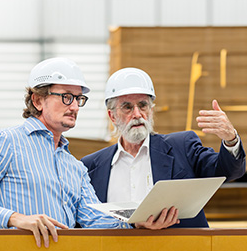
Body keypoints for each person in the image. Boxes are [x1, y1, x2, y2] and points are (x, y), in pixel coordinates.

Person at [0, 58, 179, 247]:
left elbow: (94, 219)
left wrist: (137, 223)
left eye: (79, 99)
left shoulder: (74, 166)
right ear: (37, 100)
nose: (75, 106)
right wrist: (15, 218)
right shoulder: (5, 143)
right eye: (66, 97)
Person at [82, 67, 246, 228]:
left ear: (151, 110)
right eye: (127, 107)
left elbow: (228, 171)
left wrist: (231, 139)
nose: (137, 114)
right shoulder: (91, 166)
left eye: (143, 105)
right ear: (112, 116)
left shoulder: (182, 147)